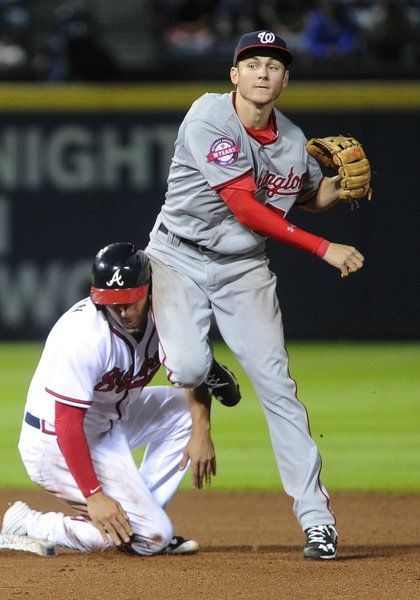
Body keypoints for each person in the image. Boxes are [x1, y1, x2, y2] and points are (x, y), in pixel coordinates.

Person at [146, 30, 367, 560]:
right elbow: (245, 206)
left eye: (274, 64)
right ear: (234, 76)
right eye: (253, 63)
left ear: (285, 79)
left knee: (280, 391)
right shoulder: (208, 117)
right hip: (178, 256)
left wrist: (334, 189)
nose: (263, 72)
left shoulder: (292, 139)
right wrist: (323, 248)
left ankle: (317, 521)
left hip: (244, 271)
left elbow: (307, 195)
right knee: (190, 367)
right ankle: (203, 368)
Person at [1, 242, 239, 555]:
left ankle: (138, 523)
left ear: (148, 288)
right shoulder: (84, 337)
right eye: (113, 303)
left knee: (184, 410)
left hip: (109, 423)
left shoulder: (167, 316)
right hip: (53, 442)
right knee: (153, 536)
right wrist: (94, 495)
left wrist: (201, 429)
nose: (123, 311)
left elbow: (196, 376)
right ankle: (29, 523)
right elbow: (67, 423)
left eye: (130, 301)